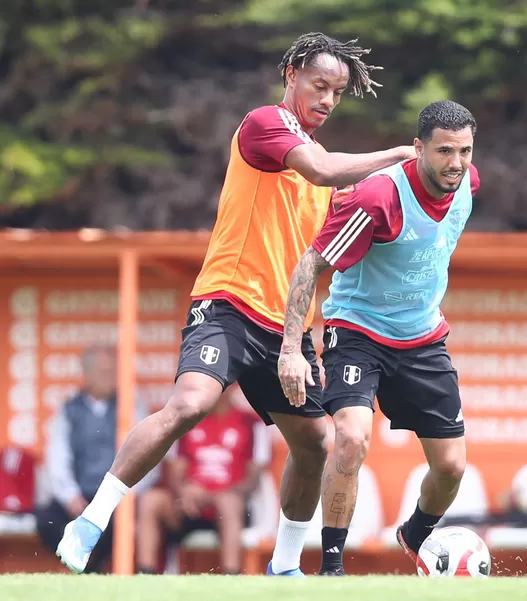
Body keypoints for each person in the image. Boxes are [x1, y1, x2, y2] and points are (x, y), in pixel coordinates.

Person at [56, 31, 416, 576]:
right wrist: (400, 155)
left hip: (285, 329)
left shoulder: (320, 169)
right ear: (291, 72)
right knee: (191, 404)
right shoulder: (264, 125)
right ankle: (92, 520)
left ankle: (285, 568)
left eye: (337, 93)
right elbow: (322, 168)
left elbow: (333, 203)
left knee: (315, 441)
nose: (327, 100)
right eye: (319, 85)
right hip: (227, 302)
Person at [277, 100, 480, 575]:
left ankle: (414, 535)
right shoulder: (378, 199)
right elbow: (312, 264)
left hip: (423, 337)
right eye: (444, 151)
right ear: (417, 149)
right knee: (350, 437)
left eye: (465, 151)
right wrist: (291, 348)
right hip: (359, 331)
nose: (455, 163)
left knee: (451, 468)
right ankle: (331, 568)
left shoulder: (468, 183)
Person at [38, 346, 157, 572]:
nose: (112, 377)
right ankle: (85, 571)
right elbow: (57, 457)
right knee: (47, 519)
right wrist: (70, 496)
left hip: (118, 496)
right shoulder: (69, 409)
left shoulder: (132, 405)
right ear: (87, 375)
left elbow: (148, 454)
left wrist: (125, 496)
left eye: (115, 371)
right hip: (80, 494)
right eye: (105, 371)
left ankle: (93, 570)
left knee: (119, 521)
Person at [135, 384, 271, 575]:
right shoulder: (186, 421)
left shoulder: (252, 424)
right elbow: (176, 472)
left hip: (228, 508)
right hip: (189, 505)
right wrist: (184, 490)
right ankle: (145, 575)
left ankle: (231, 578)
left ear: (232, 387)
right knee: (151, 500)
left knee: (229, 503)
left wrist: (212, 496)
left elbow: (253, 481)